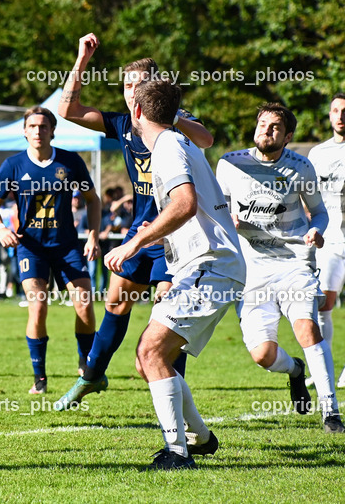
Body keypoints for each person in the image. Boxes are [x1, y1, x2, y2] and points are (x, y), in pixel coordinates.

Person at [55, 35, 215, 411]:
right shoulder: (122, 125)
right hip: (140, 231)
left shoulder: (174, 122)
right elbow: (68, 111)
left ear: (153, 87)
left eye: (139, 84)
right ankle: (92, 375)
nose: (131, 92)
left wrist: (171, 116)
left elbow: (207, 139)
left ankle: (175, 399)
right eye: (127, 85)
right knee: (116, 304)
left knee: (166, 313)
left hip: (176, 234)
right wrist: (81, 60)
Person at [104, 79, 245, 470]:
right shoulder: (179, 140)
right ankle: (200, 437)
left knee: (150, 351)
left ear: (136, 112)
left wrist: (134, 243)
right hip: (206, 266)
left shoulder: (166, 145)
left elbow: (185, 204)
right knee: (148, 359)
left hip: (210, 264)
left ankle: (177, 453)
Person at [216, 103, 344, 433]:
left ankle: (330, 412)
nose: (267, 130)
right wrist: (227, 220)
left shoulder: (301, 167)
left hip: (293, 262)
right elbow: (218, 210)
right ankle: (295, 370)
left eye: (275, 127)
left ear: (287, 136)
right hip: (250, 270)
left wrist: (316, 230)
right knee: (262, 354)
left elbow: (320, 212)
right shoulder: (230, 164)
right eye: (262, 124)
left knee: (307, 329)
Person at [0, 106, 101, 394]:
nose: (38, 131)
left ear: (52, 131)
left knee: (84, 304)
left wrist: (93, 236)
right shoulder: (13, 165)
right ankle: (40, 378)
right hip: (31, 248)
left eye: (43, 126)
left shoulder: (70, 162)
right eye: (33, 126)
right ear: (25, 132)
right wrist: (0, 229)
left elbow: (93, 199)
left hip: (66, 246)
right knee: (38, 306)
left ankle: (86, 365)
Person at [308, 92, 345, 388]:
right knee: (323, 305)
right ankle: (326, 369)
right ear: (330, 114)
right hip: (330, 241)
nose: (340, 116)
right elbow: (308, 196)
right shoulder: (318, 153)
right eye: (335, 110)